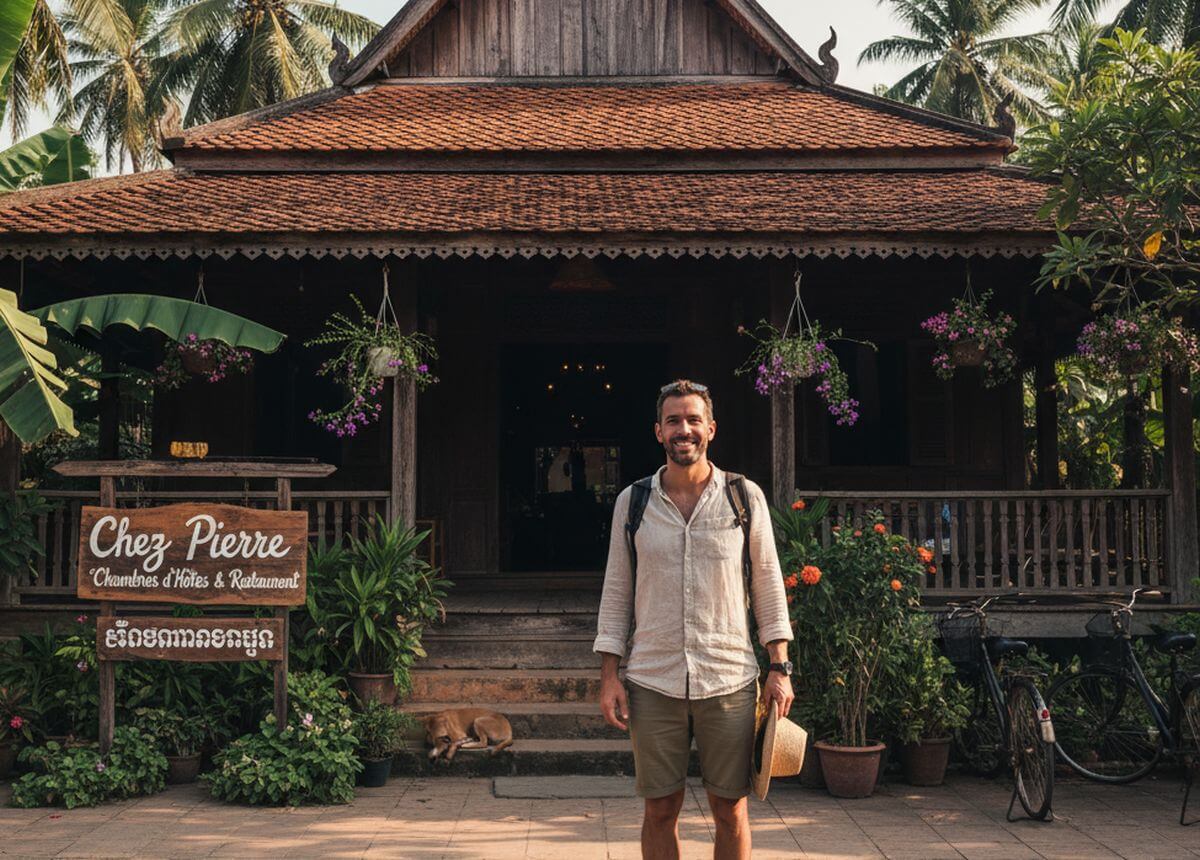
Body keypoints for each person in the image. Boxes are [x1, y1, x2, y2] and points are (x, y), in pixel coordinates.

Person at [593, 379, 795, 860]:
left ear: (711, 429)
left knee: (731, 810)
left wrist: (780, 667)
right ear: (658, 432)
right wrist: (608, 676)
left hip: (728, 677)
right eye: (673, 421)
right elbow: (617, 591)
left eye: (692, 420)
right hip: (652, 678)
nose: (683, 429)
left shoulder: (743, 497)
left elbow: (767, 580)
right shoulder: (633, 501)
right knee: (660, 809)